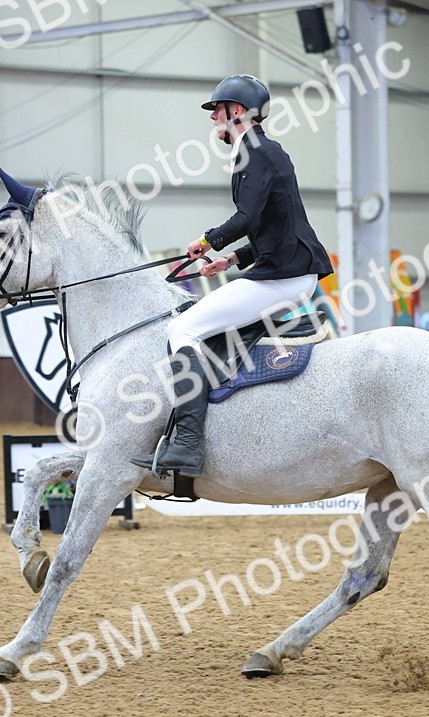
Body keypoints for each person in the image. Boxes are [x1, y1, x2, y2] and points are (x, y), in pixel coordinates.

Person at [130, 74, 333, 477]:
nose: (213, 121)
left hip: (285, 276)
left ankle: (187, 444)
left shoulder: (256, 150)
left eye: (216, 113)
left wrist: (208, 241)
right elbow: (275, 224)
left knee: (183, 330)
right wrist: (232, 259)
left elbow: (248, 217)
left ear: (235, 112)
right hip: (283, 269)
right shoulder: (259, 151)